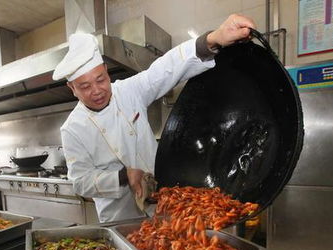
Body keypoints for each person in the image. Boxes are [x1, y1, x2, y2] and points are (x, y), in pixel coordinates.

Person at [55, 14, 256, 222]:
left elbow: (164, 69)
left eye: (100, 79)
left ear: (106, 72)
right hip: (119, 218)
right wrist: (123, 177)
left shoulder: (127, 91)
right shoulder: (72, 129)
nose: (96, 91)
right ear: (72, 88)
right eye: (85, 86)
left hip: (161, 206)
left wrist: (212, 39)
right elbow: (80, 182)